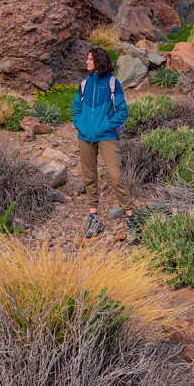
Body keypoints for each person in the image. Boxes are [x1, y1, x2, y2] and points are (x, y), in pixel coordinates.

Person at [72, 45, 137, 244]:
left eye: (90, 59)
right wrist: (80, 124)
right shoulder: (84, 85)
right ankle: (94, 219)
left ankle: (131, 220)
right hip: (85, 138)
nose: (86, 62)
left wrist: (106, 126)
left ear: (98, 61)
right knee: (89, 178)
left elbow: (122, 111)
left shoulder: (112, 83)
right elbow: (76, 108)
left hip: (106, 137)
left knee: (116, 177)